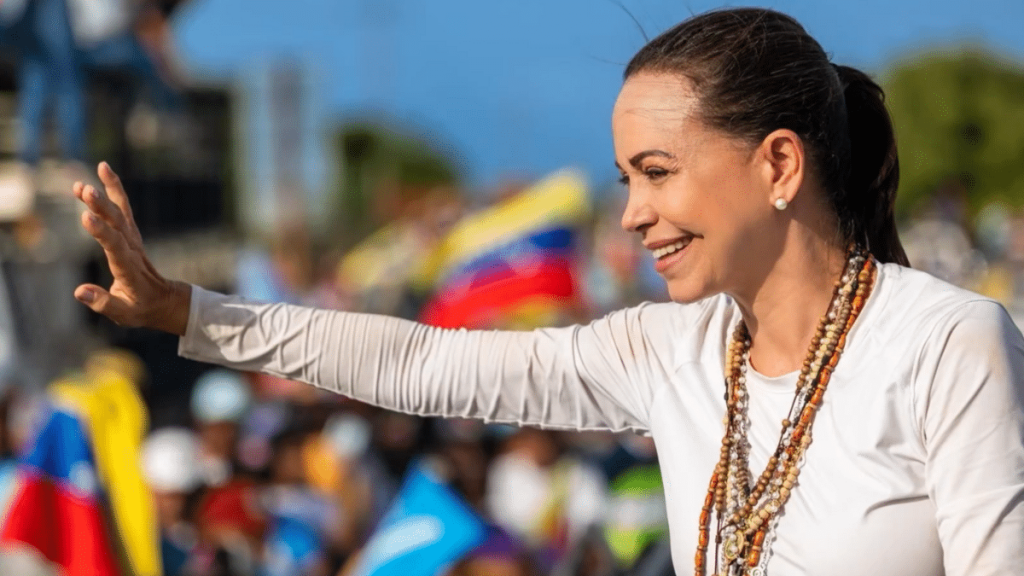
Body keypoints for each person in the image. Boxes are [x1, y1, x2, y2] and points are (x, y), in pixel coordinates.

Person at [69, 8, 1024, 576]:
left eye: (658, 171)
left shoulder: (947, 342)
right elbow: (423, 362)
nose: (633, 216)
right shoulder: (666, 350)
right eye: (625, 181)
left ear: (779, 164)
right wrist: (190, 312)